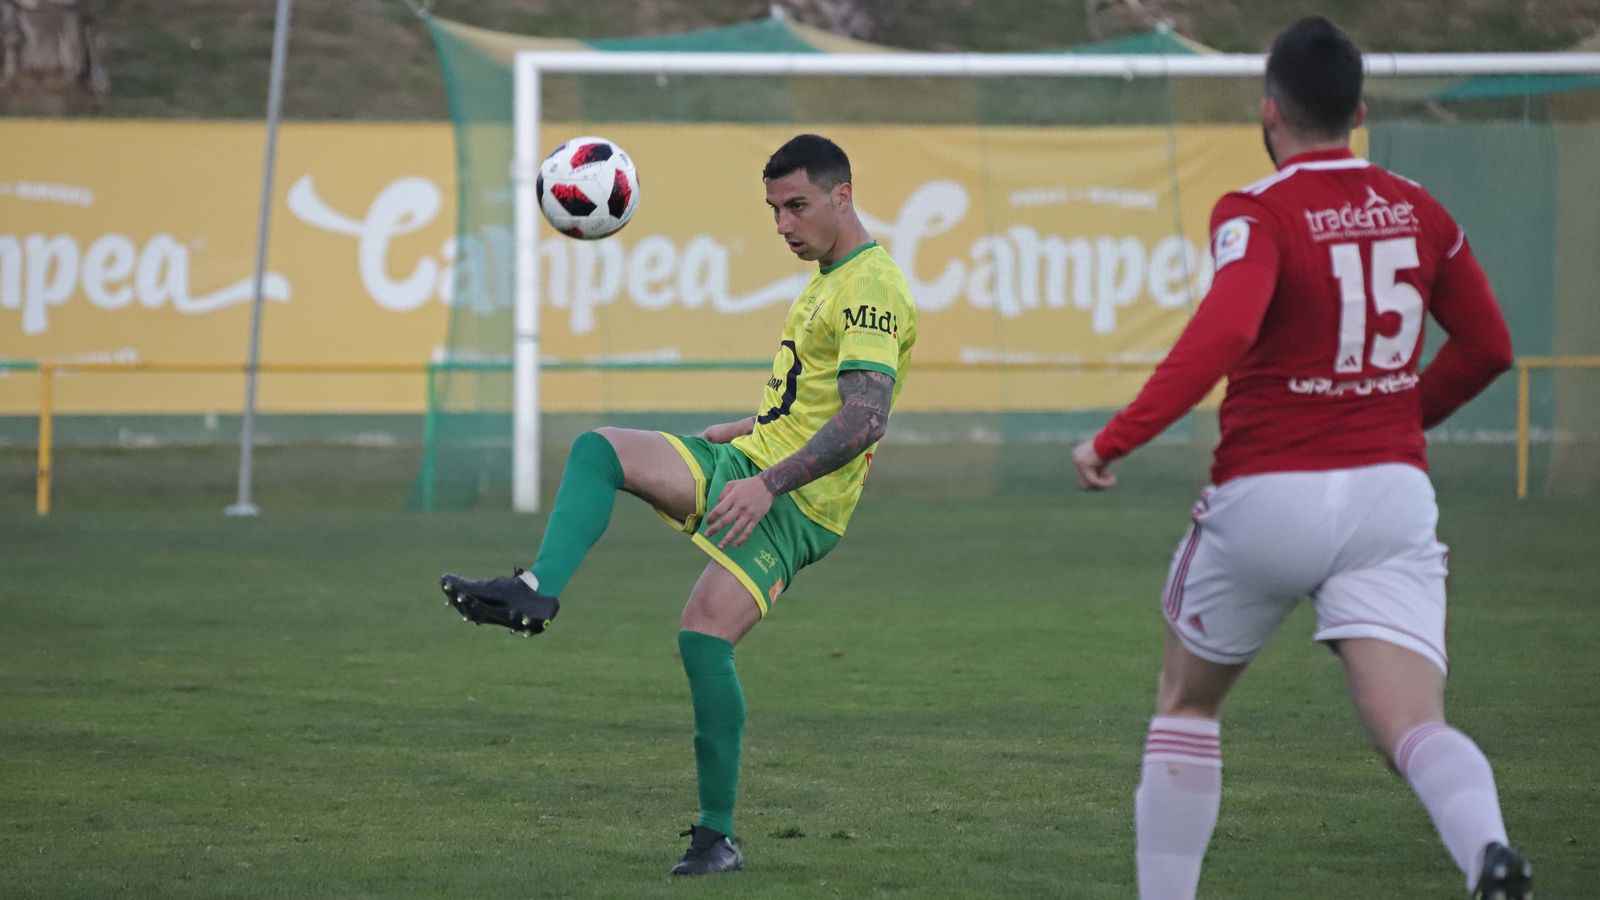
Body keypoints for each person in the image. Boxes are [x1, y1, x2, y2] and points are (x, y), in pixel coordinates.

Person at [1070, 17, 1530, 900]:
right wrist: (1391, 416)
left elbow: (1231, 327)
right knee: (1411, 723)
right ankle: (1487, 853)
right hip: (1390, 498)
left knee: (1187, 702)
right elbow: (1489, 346)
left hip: (1269, 493)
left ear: (1268, 108)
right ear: (1358, 112)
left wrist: (1114, 437)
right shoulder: (1421, 209)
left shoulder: (1259, 210)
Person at [438, 134, 916, 876]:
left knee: (614, 476)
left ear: (841, 196)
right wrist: (741, 431)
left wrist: (766, 481)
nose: (784, 224)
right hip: (762, 467)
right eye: (773, 210)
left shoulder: (871, 287)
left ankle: (539, 594)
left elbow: (864, 418)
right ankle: (713, 838)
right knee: (689, 616)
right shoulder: (830, 275)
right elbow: (810, 397)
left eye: (796, 206)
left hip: (790, 500)